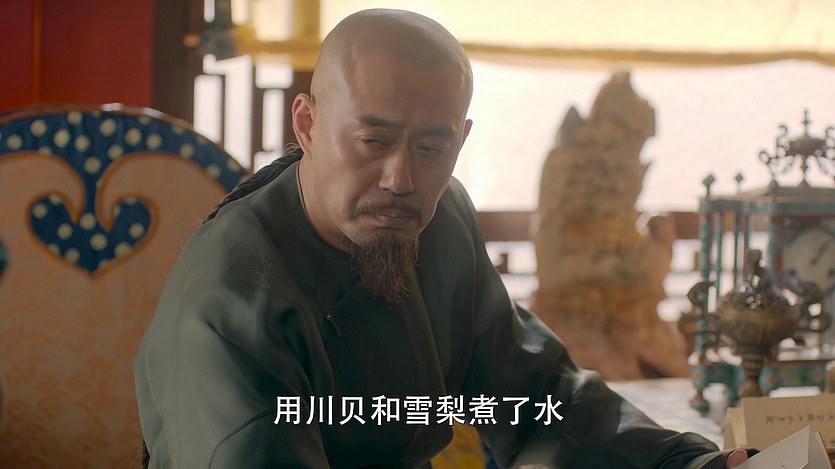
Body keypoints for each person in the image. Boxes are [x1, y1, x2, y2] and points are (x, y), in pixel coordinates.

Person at [134, 8, 751, 468]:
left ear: (461, 139)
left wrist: (688, 464)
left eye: (432, 147)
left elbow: (536, 398)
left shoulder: (440, 219)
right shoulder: (231, 299)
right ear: (308, 124)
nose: (400, 179)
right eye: (372, 141)